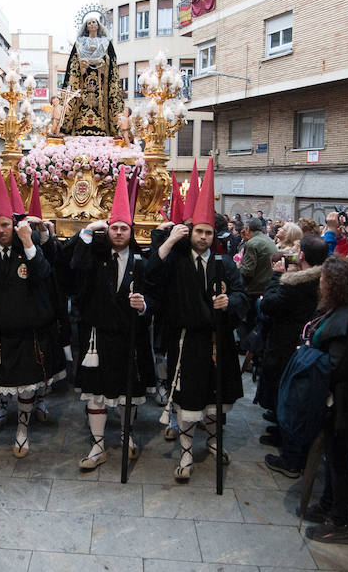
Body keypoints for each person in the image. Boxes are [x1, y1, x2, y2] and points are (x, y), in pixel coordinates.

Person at [146, 164, 249, 480]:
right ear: (190, 232)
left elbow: (243, 297)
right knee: (188, 399)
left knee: (215, 399)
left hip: (218, 343)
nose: (203, 237)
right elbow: (151, 275)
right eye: (198, 231)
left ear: (213, 234)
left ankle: (216, 442)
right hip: (186, 341)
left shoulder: (225, 263)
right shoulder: (174, 260)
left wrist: (229, 302)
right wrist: (168, 238)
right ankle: (187, 452)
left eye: (207, 232)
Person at [0, 160, 57, 465]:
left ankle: (22, 429)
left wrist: (29, 239)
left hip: (25, 332)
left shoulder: (28, 251)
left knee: (24, 387)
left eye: (6, 225)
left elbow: (44, 275)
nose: (2, 230)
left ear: (14, 225)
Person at [281, 258, 348, 545]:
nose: (319, 285)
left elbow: (338, 364)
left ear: (334, 285)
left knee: (339, 460)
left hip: (344, 401)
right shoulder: (339, 310)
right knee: (333, 457)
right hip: (335, 398)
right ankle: (328, 505)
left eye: (323, 281)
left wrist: (308, 356)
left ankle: (339, 522)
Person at [71, 175, 155, 470]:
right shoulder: (94, 257)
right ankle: (97, 446)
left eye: (123, 228)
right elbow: (74, 267)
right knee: (96, 393)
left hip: (129, 337)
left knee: (126, 392)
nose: (118, 232)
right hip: (97, 336)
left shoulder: (141, 261)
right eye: (114, 228)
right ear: (107, 230)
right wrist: (86, 232)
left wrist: (143, 305)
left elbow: (154, 296)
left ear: (131, 232)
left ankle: (126, 435)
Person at [256, 235, 329, 448]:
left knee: (282, 389)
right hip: (301, 341)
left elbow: (268, 305)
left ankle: (282, 435)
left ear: (302, 255)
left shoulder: (296, 284)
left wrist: (276, 277)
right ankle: (279, 428)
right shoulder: (321, 280)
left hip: (285, 342)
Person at [60, 12, 125, 136]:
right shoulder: (79, 43)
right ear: (86, 26)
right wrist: (82, 66)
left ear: (98, 25)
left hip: (101, 82)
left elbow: (112, 62)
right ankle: (74, 126)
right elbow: (73, 64)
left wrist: (103, 64)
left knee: (102, 102)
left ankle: (106, 128)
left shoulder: (106, 43)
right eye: (89, 23)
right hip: (83, 83)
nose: (92, 24)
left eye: (94, 22)